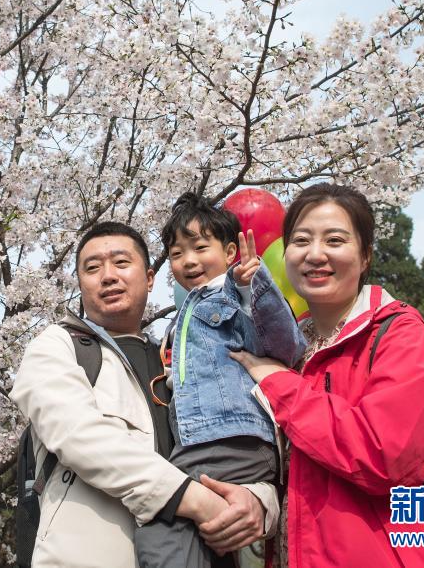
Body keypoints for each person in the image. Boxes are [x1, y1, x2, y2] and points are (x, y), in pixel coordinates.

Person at [202, 183, 424, 567]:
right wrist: (258, 500)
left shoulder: (399, 333)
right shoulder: (285, 349)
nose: (315, 254)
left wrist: (280, 384)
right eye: (301, 240)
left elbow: (386, 457)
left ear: (365, 255)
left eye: (335, 240)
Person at [11, 221, 276, 568]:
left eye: (121, 263)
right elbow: (77, 435)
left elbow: (250, 437)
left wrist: (260, 502)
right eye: (92, 268)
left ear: (150, 278)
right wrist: (194, 500)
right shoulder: (57, 346)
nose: (108, 276)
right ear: (80, 284)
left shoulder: (185, 359)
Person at [135, 193, 304, 568]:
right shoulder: (185, 313)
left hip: (228, 441)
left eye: (200, 247)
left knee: (160, 526)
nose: (189, 260)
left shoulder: (234, 296)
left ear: (230, 252)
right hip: (201, 444)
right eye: (177, 253)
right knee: (195, 537)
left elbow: (287, 344)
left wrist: (254, 286)